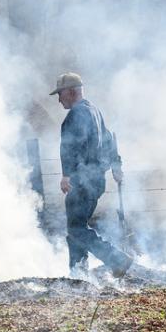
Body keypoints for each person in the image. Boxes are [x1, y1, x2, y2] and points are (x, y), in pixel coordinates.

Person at [50, 72, 133, 277]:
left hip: (82, 181)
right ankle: (78, 273)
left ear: (71, 92)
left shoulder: (76, 114)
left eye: (60, 94)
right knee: (76, 228)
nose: (59, 99)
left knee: (77, 228)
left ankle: (116, 259)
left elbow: (71, 146)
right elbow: (108, 140)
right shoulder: (94, 111)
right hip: (96, 181)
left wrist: (66, 175)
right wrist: (116, 165)